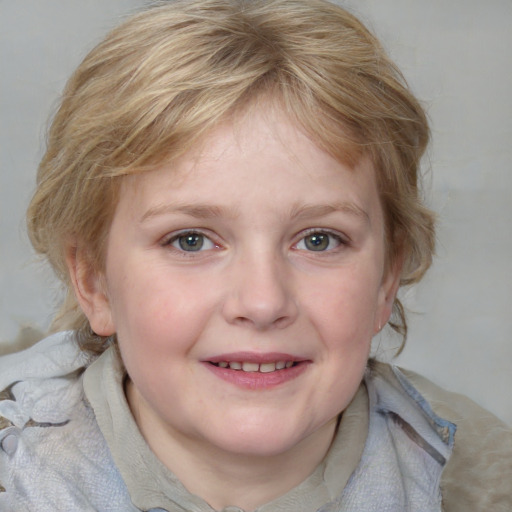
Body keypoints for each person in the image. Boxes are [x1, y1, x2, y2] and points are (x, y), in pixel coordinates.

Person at [0, 0, 510, 510]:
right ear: (94, 281)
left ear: (385, 279)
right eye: (191, 240)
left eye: (318, 240)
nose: (263, 302)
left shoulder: (480, 483)